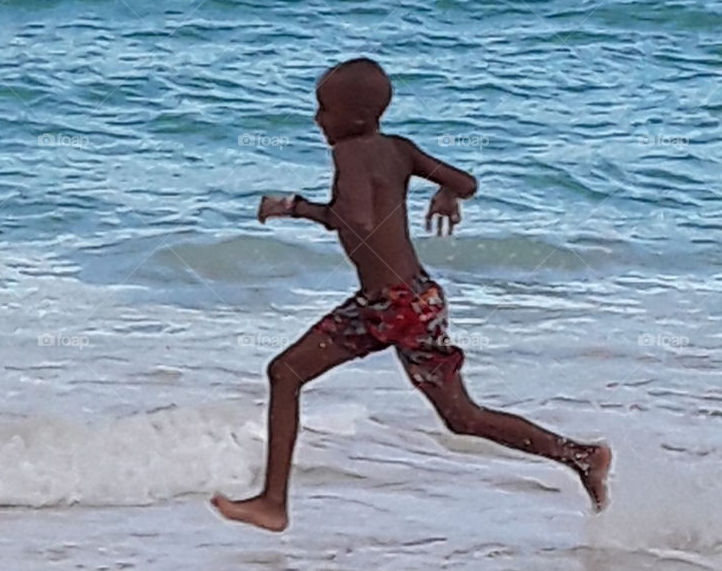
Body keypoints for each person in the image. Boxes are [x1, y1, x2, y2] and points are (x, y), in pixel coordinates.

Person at [211, 57, 610, 532]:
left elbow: (353, 219)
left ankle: (274, 503)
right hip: (414, 300)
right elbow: (466, 182)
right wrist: (446, 195)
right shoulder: (399, 149)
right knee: (461, 417)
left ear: (353, 118)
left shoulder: (350, 154)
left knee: (285, 372)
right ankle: (580, 456)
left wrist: (295, 208)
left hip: (391, 305)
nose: (317, 120)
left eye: (324, 110)